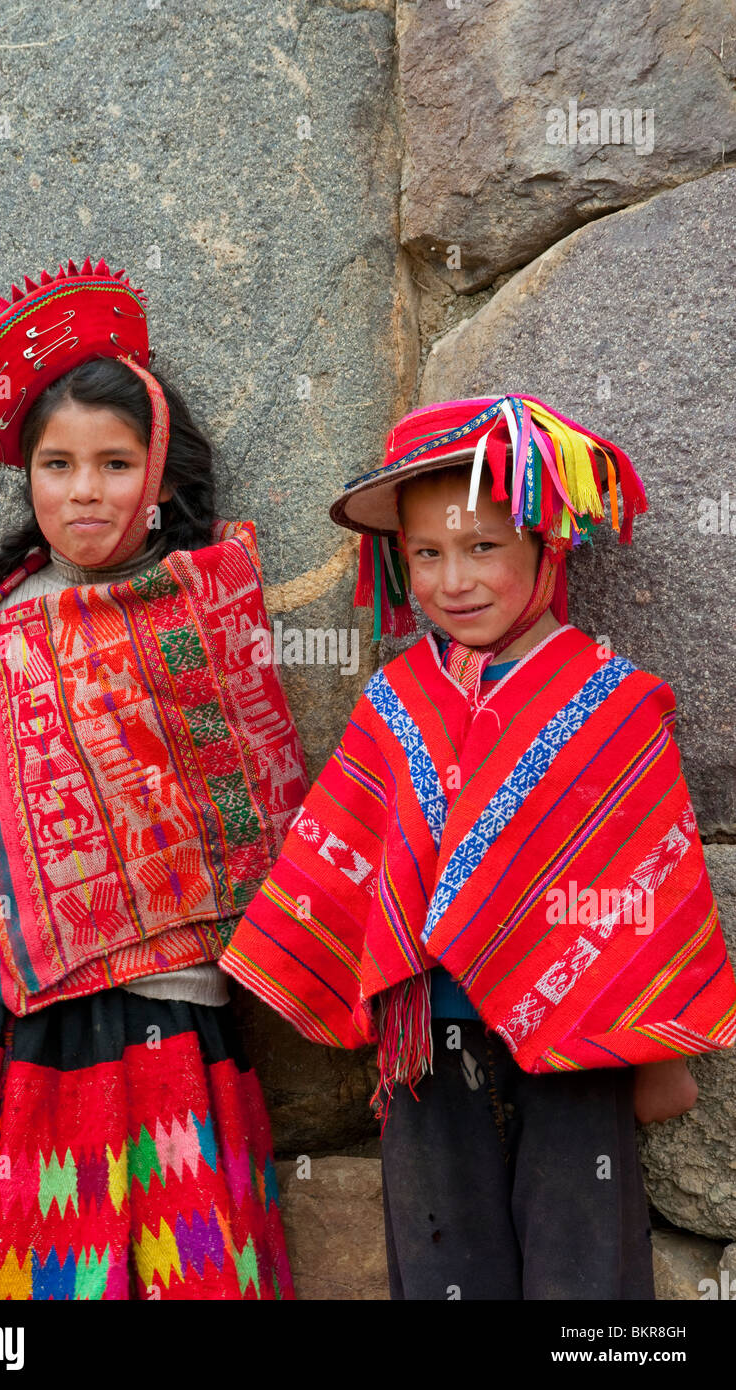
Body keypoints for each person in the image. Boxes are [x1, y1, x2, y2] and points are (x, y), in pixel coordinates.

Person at [219, 394, 736, 1300]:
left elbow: (648, 891)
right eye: (426, 554)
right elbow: (345, 851)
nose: (452, 580)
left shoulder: (611, 707)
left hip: (577, 1044)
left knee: (586, 1269)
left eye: (483, 547)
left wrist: (660, 1053)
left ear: (547, 545)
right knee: (441, 1259)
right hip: (429, 1038)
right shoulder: (397, 700)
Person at [0, 256, 308, 1300]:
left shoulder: (204, 621)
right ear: (27, 476)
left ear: (158, 473)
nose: (83, 491)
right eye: (56, 463)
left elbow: (249, 820)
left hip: (151, 1005)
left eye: (114, 463)